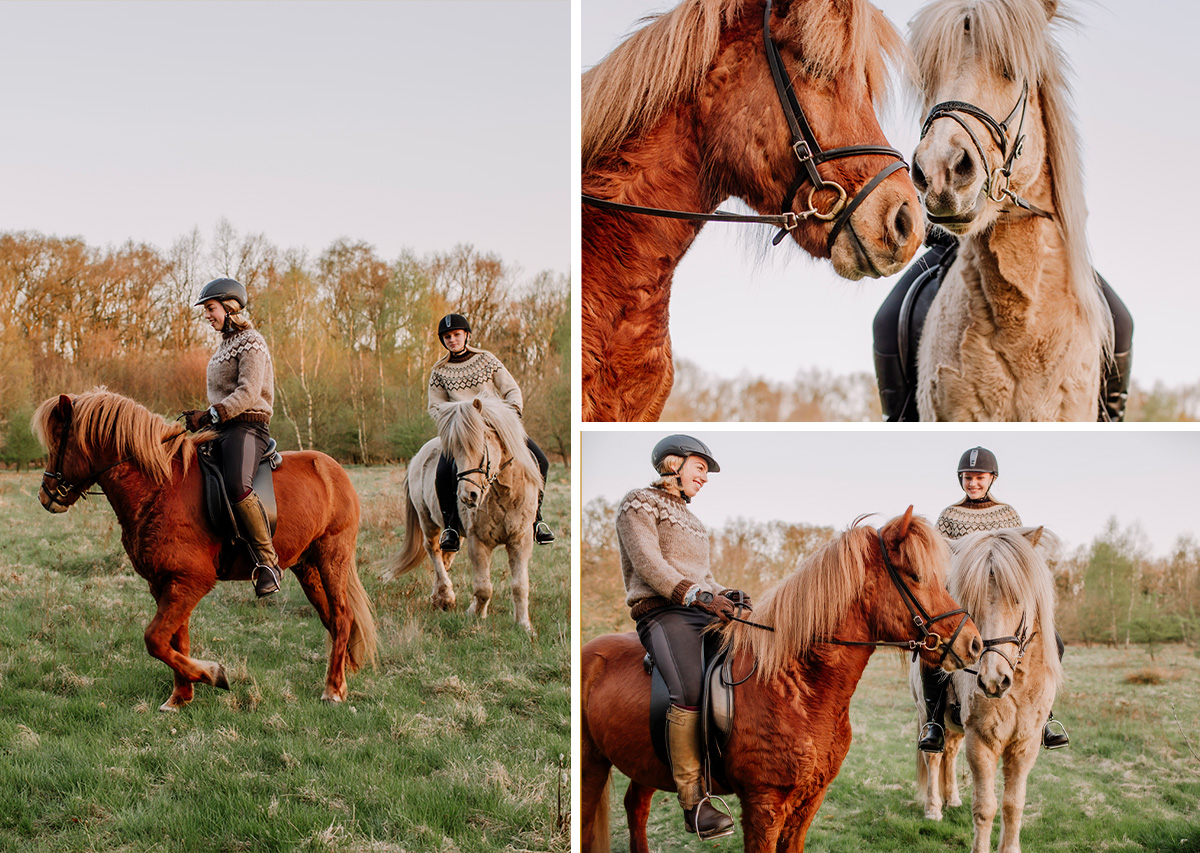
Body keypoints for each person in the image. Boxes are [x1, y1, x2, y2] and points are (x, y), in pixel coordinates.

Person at [616, 434, 751, 841]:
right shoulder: (637, 502)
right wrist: (696, 594)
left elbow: (705, 577)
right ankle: (694, 801)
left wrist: (724, 594)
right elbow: (648, 562)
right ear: (673, 462)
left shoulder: (694, 521)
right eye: (700, 468)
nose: (705, 478)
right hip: (662, 612)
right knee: (689, 689)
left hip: (698, 611)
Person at [917, 446, 1070, 753]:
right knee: (931, 655)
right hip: (964, 599)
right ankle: (934, 722)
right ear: (961, 479)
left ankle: (1045, 716)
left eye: (979, 477)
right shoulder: (949, 516)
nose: (973, 483)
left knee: (1055, 643)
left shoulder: (1008, 514)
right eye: (968, 477)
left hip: (1002, 600)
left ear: (992, 478)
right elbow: (938, 557)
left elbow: (1019, 556)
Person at [182, 277, 282, 598]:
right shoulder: (223, 345)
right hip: (222, 425)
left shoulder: (252, 341)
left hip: (248, 425)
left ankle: (268, 562)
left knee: (238, 486)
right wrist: (203, 417)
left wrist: (212, 414)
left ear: (230, 308)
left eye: (210, 309)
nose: (207, 315)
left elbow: (249, 391)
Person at [427, 313, 554, 553]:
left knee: (542, 462)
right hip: (463, 433)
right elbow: (435, 406)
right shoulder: (439, 371)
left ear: (467, 335)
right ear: (443, 341)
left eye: (456, 335)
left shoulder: (486, 359)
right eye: (447, 337)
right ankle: (451, 528)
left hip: (498, 428)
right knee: (444, 472)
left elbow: (511, 389)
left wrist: (512, 416)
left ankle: (537, 519)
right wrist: (455, 422)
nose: (452, 340)